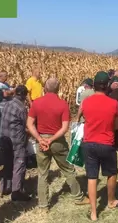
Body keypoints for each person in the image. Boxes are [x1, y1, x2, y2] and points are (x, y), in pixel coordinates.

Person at [27, 78, 89, 210]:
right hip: (57, 142)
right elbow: (64, 127)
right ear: (58, 89)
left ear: (45, 88)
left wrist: (40, 138)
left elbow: (29, 124)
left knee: (42, 173)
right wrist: (51, 139)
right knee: (68, 170)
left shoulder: (36, 103)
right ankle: (78, 197)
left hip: (41, 141)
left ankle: (43, 205)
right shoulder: (62, 104)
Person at [77, 71, 118, 222]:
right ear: (107, 86)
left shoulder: (86, 102)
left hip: (89, 143)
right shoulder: (113, 103)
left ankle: (93, 212)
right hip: (106, 143)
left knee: (92, 176)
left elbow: (79, 116)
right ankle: (111, 201)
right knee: (111, 173)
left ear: (93, 85)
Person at [0, 85, 32, 201]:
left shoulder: (7, 104)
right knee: (19, 164)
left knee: (8, 163)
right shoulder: (21, 108)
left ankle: (5, 187)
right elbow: (26, 125)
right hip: (17, 140)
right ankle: (16, 192)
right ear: (24, 95)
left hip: (4, 138)